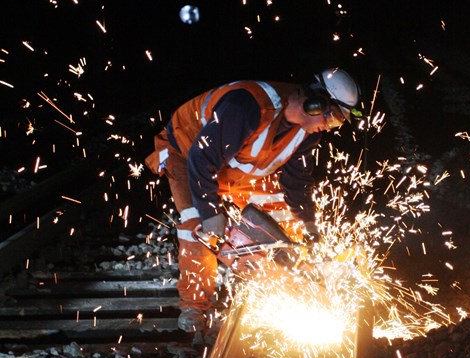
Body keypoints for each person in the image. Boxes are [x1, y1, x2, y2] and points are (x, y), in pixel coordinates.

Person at [144, 68, 362, 333]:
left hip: (238, 167)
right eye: (334, 118)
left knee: (280, 219)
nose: (331, 127)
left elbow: (296, 180)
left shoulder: (308, 132)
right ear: (315, 104)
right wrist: (211, 212)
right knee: (198, 226)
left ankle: (294, 283)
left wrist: (309, 223)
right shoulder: (247, 106)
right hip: (187, 154)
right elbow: (202, 159)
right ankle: (194, 305)